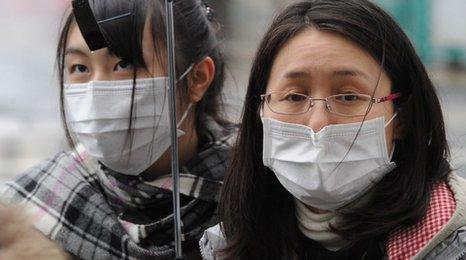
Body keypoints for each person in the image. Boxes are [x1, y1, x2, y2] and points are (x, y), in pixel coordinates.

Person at [200, 0, 466, 259]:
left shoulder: (450, 242)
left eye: (348, 97)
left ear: (401, 118)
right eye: (294, 97)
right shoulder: (230, 241)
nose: (318, 123)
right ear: (259, 111)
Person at [0, 0, 235, 259]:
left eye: (124, 64)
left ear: (197, 78)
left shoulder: (259, 194)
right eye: (80, 68)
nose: (95, 91)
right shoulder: (27, 214)